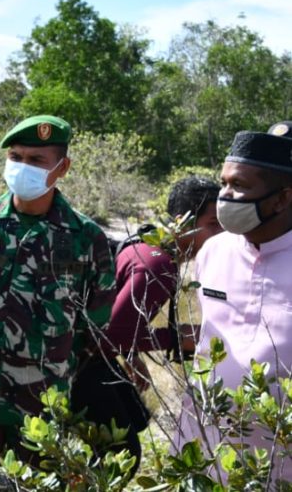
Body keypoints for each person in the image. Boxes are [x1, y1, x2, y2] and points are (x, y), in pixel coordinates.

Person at [0, 115, 116, 491]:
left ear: (61, 168)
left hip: (39, 406)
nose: (22, 167)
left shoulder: (87, 239)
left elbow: (93, 324)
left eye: (36, 160)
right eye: (16, 156)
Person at [72, 176, 221, 473]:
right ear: (182, 221)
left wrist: (133, 357)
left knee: (137, 416)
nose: (223, 233)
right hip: (78, 361)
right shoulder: (158, 266)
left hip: (88, 353)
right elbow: (109, 336)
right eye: (214, 224)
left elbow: (122, 317)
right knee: (122, 456)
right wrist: (177, 339)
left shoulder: (148, 242)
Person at [177, 122, 292, 485]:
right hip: (209, 445)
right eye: (224, 182)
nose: (224, 196)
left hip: (281, 455)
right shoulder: (213, 251)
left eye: (239, 186)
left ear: (283, 198)